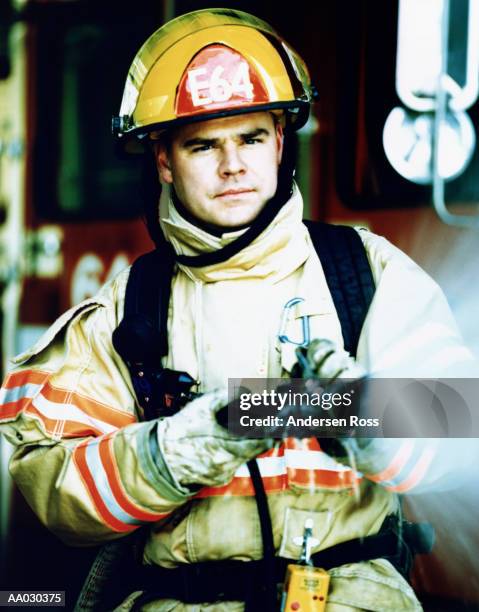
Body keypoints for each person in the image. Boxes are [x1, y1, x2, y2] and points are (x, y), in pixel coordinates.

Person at [0, 8, 478, 612]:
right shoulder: (128, 308)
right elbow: (59, 496)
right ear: (164, 161)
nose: (233, 166)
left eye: (251, 138)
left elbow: (461, 427)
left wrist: (369, 419)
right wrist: (173, 450)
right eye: (203, 145)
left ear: (280, 142)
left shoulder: (366, 273)